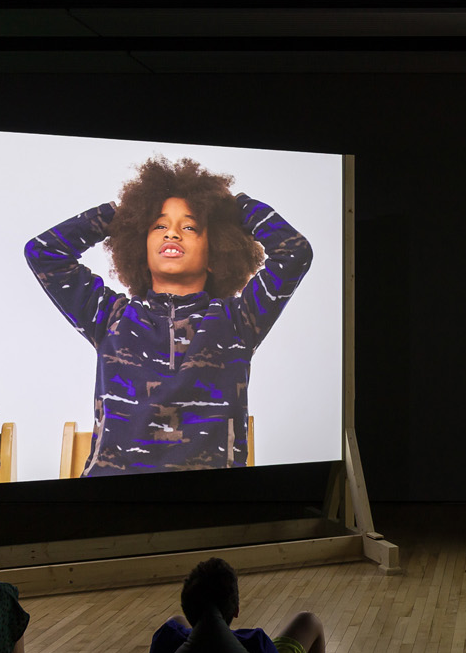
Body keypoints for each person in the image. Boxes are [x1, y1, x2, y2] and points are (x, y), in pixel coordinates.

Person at [26, 156, 312, 474]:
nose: (172, 234)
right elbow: (43, 252)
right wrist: (121, 216)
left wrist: (233, 208)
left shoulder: (238, 321)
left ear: (215, 252)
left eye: (189, 226)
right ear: (139, 247)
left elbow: (294, 251)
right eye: (159, 225)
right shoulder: (110, 317)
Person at [148, 557, 326, 653]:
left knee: (176, 620)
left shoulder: (168, 638)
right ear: (236, 610)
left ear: (187, 609)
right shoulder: (254, 643)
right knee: (308, 621)